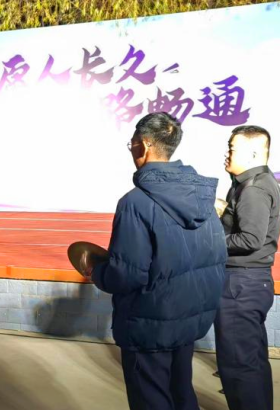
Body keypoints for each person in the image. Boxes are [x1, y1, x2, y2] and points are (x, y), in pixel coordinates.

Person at [82, 113, 227, 410]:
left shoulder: (135, 202)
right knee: (181, 393)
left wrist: (96, 271)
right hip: (187, 319)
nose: (132, 150)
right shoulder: (202, 196)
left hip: (148, 325)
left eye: (132, 144)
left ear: (145, 145)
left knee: (151, 399)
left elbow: (127, 275)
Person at [214, 125, 280, 410]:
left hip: (240, 286)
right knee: (250, 361)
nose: (227, 154)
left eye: (232, 149)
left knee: (239, 366)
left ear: (253, 153)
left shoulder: (253, 188)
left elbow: (250, 239)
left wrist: (208, 239)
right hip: (249, 283)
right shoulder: (255, 182)